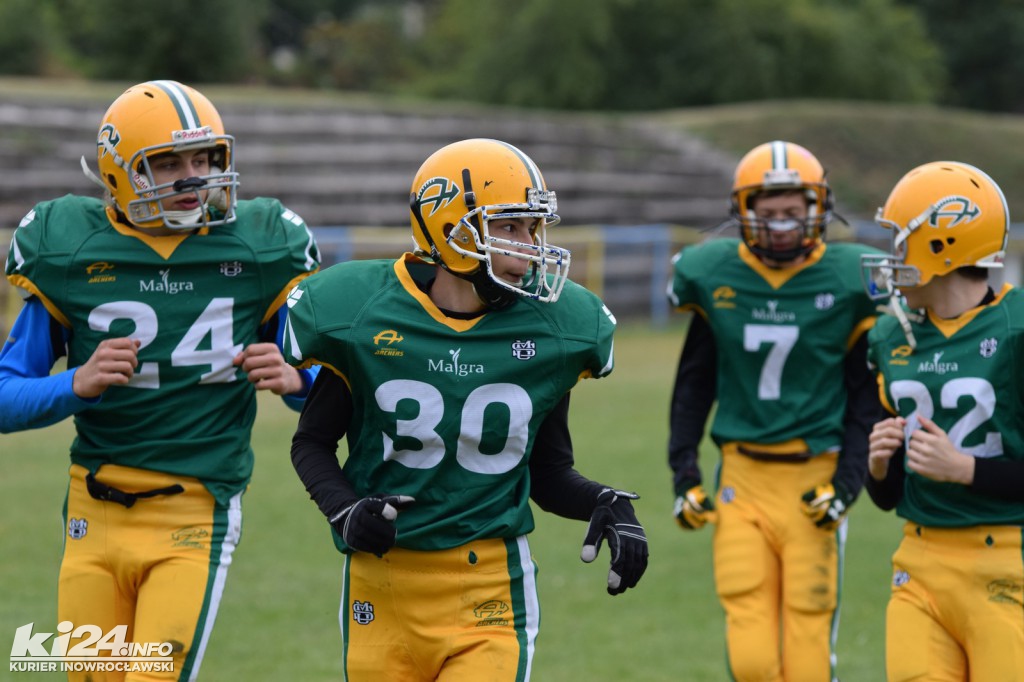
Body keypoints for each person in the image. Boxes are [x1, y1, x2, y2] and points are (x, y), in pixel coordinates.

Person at [285, 137, 649, 681]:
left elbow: (546, 472)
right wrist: (345, 510)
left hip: (490, 588)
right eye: (509, 227)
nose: (530, 245)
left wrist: (606, 503)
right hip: (381, 584)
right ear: (450, 228)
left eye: (533, 228)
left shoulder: (555, 329)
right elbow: (311, 442)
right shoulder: (362, 313)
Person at [0, 80, 321, 680]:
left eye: (203, 160)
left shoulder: (258, 247)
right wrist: (75, 384)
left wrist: (298, 380)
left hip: (195, 508)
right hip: (91, 507)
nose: (193, 178)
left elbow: (338, 393)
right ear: (120, 174)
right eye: (168, 164)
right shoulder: (69, 247)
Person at [665, 140, 884, 681]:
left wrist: (847, 481)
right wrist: (684, 470)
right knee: (752, 657)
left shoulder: (850, 275)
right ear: (744, 213)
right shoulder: (715, 272)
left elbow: (865, 396)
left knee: (807, 650)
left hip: (815, 475)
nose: (782, 226)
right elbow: (694, 383)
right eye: (770, 214)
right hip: (743, 477)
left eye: (793, 213)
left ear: (818, 210)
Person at [862, 161, 1024, 681]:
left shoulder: (1016, 330)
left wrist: (968, 471)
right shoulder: (891, 338)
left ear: (941, 247)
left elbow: (963, 468)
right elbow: (887, 499)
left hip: (1005, 566)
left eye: (900, 242)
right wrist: (881, 468)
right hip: (919, 562)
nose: (891, 259)